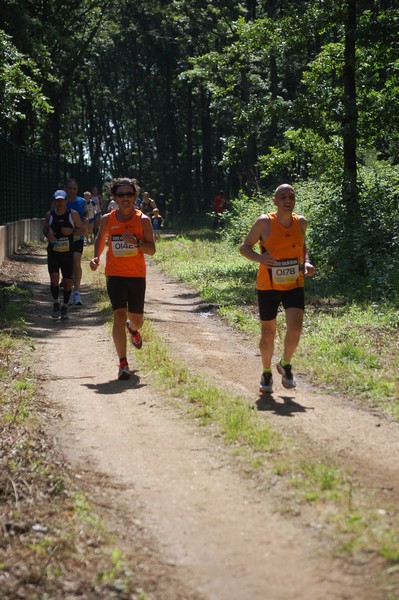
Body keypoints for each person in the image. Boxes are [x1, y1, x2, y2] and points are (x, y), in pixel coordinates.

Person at [239, 183, 315, 393]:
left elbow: (302, 246)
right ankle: (266, 372)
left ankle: (285, 363)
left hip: (294, 284)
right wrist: (260, 258)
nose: (287, 200)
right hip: (268, 286)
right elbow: (244, 247)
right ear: (275, 201)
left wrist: (306, 262)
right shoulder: (265, 222)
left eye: (291, 196)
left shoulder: (301, 222)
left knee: (295, 328)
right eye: (283, 197)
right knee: (268, 333)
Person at [90, 177, 156, 381]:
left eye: (129, 194)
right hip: (114, 273)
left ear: (135, 196)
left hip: (136, 275)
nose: (126, 198)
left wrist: (136, 242)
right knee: (118, 314)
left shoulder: (143, 220)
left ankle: (132, 328)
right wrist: (96, 257)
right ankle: (123, 363)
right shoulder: (107, 219)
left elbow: (151, 250)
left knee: (137, 321)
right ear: (114, 197)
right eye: (121, 195)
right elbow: (100, 239)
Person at [43, 190, 84, 320]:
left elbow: (83, 230)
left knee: (67, 282)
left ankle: (65, 306)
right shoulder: (50, 215)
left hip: (67, 254)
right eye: (57, 200)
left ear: (66, 201)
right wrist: (48, 235)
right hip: (54, 253)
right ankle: (56, 303)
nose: (59, 203)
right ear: (54, 201)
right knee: (54, 279)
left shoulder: (73, 214)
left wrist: (71, 231)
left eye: (62, 200)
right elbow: (45, 229)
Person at [66, 178, 88, 306]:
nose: (72, 191)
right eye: (70, 188)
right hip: (63, 239)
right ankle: (67, 292)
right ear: (66, 188)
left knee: (76, 261)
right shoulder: (61, 201)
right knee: (67, 264)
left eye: (74, 188)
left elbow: (85, 214)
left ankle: (77, 292)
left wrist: (85, 220)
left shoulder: (82, 201)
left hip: (77, 237)